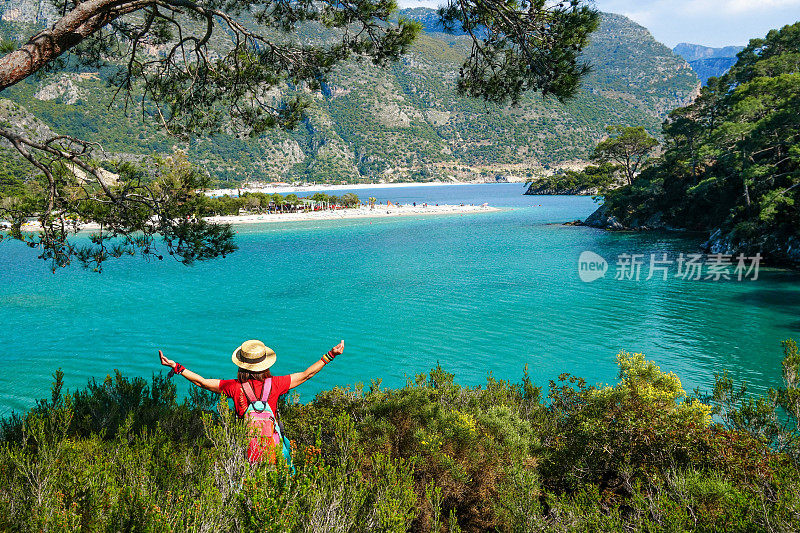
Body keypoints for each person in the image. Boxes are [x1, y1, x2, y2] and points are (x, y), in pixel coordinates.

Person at [158, 339, 344, 461]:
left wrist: (176, 366)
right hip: (273, 451)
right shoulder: (276, 384)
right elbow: (306, 375)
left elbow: (203, 383)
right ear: (266, 363)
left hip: (246, 450)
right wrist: (331, 355)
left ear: (241, 364)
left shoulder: (234, 386)